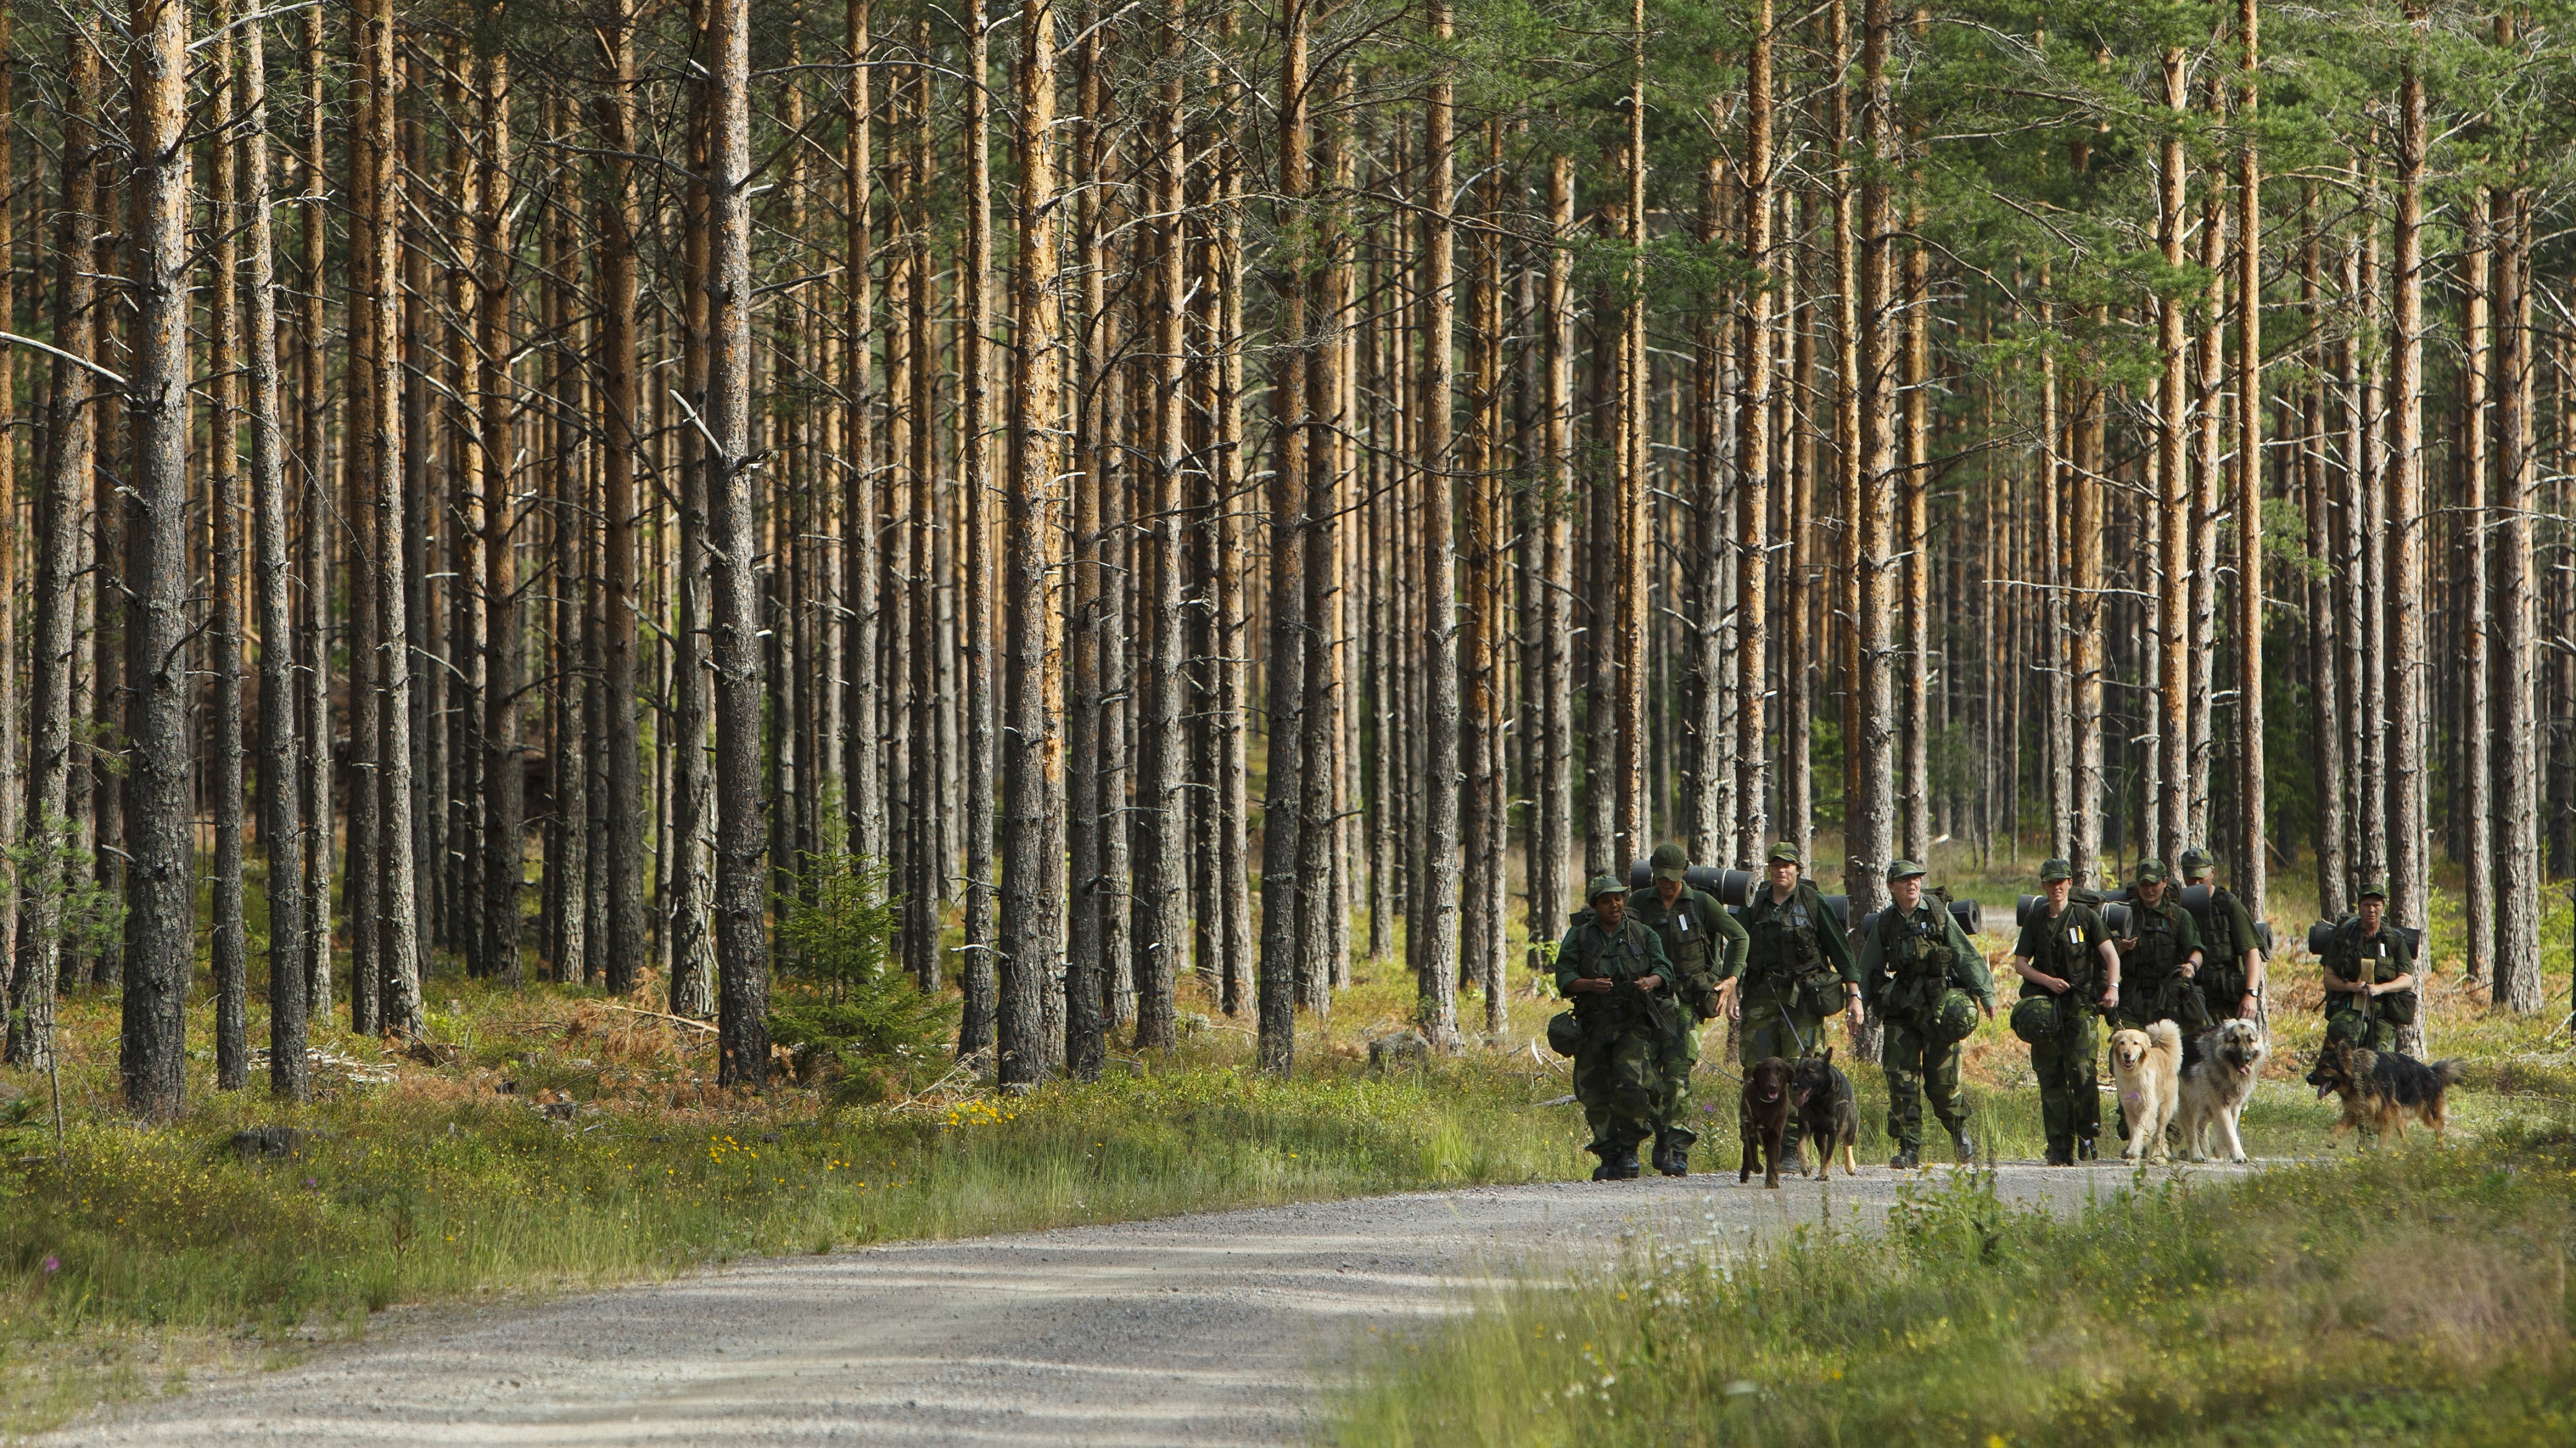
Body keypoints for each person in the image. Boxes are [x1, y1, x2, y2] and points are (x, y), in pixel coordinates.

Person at [1716, 841, 1860, 1164]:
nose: (1782, 870)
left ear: (1798, 869)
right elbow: (1738, 948)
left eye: (1788, 865)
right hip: (1762, 995)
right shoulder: (1756, 904)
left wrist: (1854, 995)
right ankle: (1759, 1143)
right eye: (1776, 865)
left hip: (1803, 998)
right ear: (1769, 869)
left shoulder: (1812, 901)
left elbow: (1840, 950)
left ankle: (1794, 1146)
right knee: (1760, 1067)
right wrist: (1733, 989)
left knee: (1800, 1070)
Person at [1858, 860, 1994, 1169]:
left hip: (1939, 1012)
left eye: (1917, 879)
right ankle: (1909, 1148)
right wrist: (1857, 1004)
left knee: (1943, 1083)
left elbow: (1965, 956)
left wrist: (1986, 995)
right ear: (1892, 886)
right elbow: (1868, 968)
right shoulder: (1885, 923)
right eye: (1905, 880)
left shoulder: (1937, 915)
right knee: (1901, 1081)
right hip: (1901, 1011)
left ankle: (1961, 1136)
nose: (1913, 885)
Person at [1627, 842, 1747, 1177]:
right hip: (1649, 1002)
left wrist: (1731, 978)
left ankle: (1678, 1149)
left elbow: (1740, 937)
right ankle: (1662, 1133)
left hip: (1687, 1003)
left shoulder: (1702, 904)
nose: (1666, 884)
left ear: (1684, 872)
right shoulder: (1640, 903)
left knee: (1678, 1074)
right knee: (1644, 1075)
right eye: (1660, 877)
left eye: (1672, 877)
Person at [1554, 875, 1677, 1180]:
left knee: (1632, 1083)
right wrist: (1588, 985)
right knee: (1592, 1091)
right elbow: (1564, 978)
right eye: (1607, 900)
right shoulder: (1580, 937)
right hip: (1593, 1026)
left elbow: (1665, 968)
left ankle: (1630, 1148)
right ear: (1595, 905)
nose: (1615, 905)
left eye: (1619, 898)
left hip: (1631, 1025)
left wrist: (1652, 981)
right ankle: (1608, 1155)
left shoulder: (1642, 933)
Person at [2009, 858, 2121, 1165]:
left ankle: (2087, 1138)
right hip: (2045, 1009)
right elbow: (2021, 963)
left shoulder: (2085, 916)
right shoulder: (2036, 919)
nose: (2057, 887)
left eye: (2062, 882)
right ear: (2043, 886)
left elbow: (2110, 955)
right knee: (2051, 1076)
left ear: (2070, 883)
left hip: (2081, 1007)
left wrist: (2112, 988)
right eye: (2051, 882)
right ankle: (2058, 1145)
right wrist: (2048, 982)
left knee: (2083, 1072)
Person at [2114, 859, 2209, 1033]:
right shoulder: (2125, 914)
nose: (2149, 889)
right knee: (2125, 1051)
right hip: (2132, 998)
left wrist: (2191, 965)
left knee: (2169, 1055)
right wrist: (2121, 947)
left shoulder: (2179, 916)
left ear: (2164, 882)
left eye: (2154, 884)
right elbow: (2106, 955)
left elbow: (2196, 950)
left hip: (2169, 999)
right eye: (2144, 884)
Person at [2321, 879, 2418, 1050]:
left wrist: (2381, 988)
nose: (2371, 910)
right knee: (2340, 1037)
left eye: (2376, 905)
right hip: (2349, 1007)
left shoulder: (2394, 940)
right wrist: (2350, 986)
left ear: (2383, 907)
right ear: (2359, 907)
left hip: (2383, 1013)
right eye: (2366, 905)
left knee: (2382, 1057)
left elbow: (2407, 979)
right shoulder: (2344, 937)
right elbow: (2329, 977)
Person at [2177, 847, 2266, 1025]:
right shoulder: (2179, 906)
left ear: (2213, 873)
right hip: (2189, 994)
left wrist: (2251, 993)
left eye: (2201, 877)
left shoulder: (2228, 905)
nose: (2196, 883)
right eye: (2191, 877)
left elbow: (2251, 952)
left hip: (2223, 997)